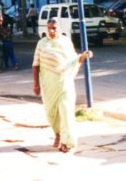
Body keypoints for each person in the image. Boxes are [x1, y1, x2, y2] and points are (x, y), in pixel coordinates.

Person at [32, 18, 93, 153]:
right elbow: (36, 65)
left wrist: (83, 56)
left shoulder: (66, 42)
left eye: (54, 28)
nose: (51, 31)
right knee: (51, 112)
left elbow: (73, 60)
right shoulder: (42, 43)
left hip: (65, 82)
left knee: (66, 111)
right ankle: (58, 134)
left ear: (60, 28)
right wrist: (36, 84)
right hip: (48, 84)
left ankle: (67, 141)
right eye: (49, 28)